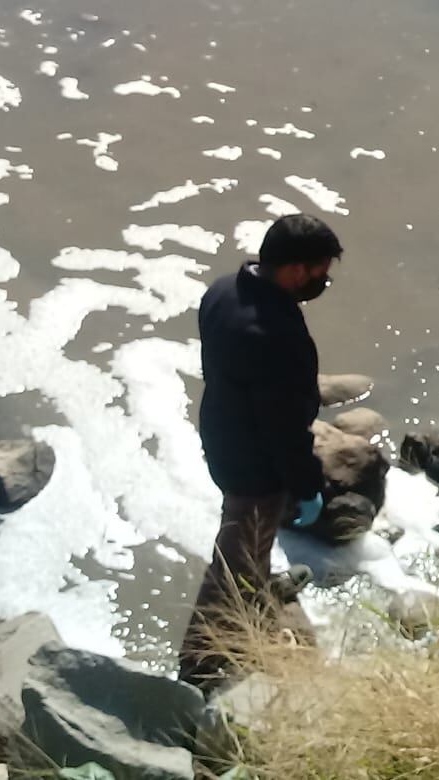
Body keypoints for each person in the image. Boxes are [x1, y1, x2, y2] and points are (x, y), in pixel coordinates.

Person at [178, 213, 340, 689]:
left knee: (244, 541)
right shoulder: (275, 336)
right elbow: (284, 431)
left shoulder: (223, 291)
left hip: (221, 433)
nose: (323, 281)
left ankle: (255, 594)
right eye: (319, 271)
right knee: (235, 559)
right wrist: (307, 486)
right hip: (254, 463)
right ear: (294, 270)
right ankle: (202, 666)